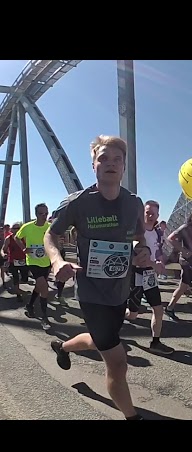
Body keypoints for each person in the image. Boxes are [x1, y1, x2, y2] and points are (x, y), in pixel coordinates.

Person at [44, 134, 153, 421]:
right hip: (91, 292)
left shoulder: (133, 203)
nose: (111, 163)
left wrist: (142, 252)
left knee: (100, 339)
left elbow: (139, 237)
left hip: (120, 288)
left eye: (117, 159)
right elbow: (51, 234)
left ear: (124, 166)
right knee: (117, 362)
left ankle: (63, 346)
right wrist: (56, 261)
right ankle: (132, 416)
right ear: (93, 164)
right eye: (103, 158)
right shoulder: (78, 203)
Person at [124, 200, 174, 355]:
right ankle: (116, 315)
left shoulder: (157, 233)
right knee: (132, 315)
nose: (151, 216)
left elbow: (157, 251)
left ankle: (155, 342)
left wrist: (159, 261)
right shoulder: (137, 233)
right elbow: (140, 258)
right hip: (136, 275)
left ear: (158, 215)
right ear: (143, 214)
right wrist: (155, 264)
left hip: (150, 276)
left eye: (154, 213)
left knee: (158, 310)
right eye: (148, 213)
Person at [15, 203, 53, 330]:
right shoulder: (27, 227)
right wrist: (24, 248)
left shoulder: (49, 227)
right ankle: (44, 317)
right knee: (44, 287)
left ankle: (30, 305)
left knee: (39, 286)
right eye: (41, 214)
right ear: (36, 214)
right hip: (32, 261)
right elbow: (16, 237)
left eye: (46, 213)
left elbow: (55, 239)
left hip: (46, 262)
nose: (44, 216)